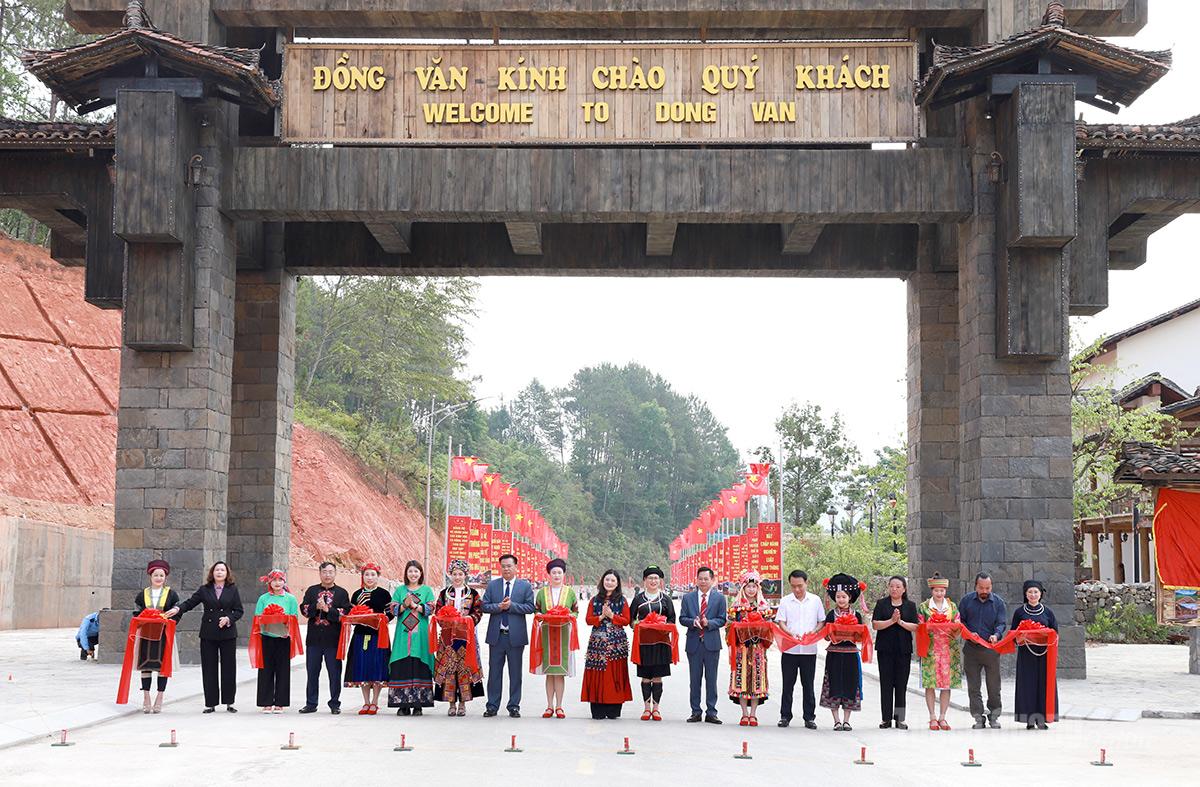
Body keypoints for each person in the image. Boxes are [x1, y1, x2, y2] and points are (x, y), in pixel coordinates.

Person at [172, 561, 244, 713]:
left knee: (229, 668)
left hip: (228, 633)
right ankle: (210, 703)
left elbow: (239, 610)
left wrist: (228, 619)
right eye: (217, 570)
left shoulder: (233, 589)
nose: (219, 572)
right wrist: (178, 609)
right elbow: (190, 603)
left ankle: (229, 702)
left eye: (222, 570)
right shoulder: (204, 590)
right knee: (209, 668)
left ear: (227, 573)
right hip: (208, 633)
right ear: (212, 573)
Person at [481, 552, 536, 718]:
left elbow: (530, 608)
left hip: (515, 637)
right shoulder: (493, 585)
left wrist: (511, 606)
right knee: (494, 672)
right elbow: (484, 606)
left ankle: (514, 705)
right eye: (503, 566)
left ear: (516, 567)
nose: (506, 569)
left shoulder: (524, 586)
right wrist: (499, 606)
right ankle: (492, 705)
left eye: (509, 566)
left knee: (515, 673)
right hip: (496, 636)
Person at [774, 569, 825, 729]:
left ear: (806, 583)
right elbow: (781, 622)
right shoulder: (785, 601)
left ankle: (809, 717)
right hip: (790, 649)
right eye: (793, 586)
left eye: (800, 586)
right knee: (788, 684)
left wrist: (814, 632)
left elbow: (821, 621)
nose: (797, 590)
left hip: (809, 650)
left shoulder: (815, 600)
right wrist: (789, 633)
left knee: (808, 684)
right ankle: (785, 716)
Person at [433, 559, 484, 716]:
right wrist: (444, 619)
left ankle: (462, 704)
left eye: (460, 574)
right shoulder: (444, 593)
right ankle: (451, 704)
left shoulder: (473, 594)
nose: (457, 577)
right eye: (454, 574)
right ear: (450, 575)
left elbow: (478, 612)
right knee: (449, 669)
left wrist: (468, 620)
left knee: (464, 669)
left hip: (466, 637)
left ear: (465, 575)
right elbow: (438, 610)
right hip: (448, 637)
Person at [299, 562, 351, 714]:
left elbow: (346, 613)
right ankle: (311, 703)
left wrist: (328, 609)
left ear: (335, 573)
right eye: (324, 572)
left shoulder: (342, 593)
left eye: (330, 572)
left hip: (333, 639)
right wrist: (317, 606)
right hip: (314, 639)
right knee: (312, 672)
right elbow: (304, 609)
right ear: (320, 573)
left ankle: (335, 704)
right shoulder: (312, 590)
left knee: (334, 673)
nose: (327, 575)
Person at [678, 565, 727, 724]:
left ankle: (711, 712)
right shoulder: (688, 598)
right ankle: (695, 711)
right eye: (701, 579)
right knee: (695, 679)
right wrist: (693, 622)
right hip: (694, 643)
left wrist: (709, 622)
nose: (703, 581)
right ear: (696, 580)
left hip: (712, 644)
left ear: (712, 580)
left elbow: (722, 619)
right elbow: (682, 618)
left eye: (706, 579)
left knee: (711, 680)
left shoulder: (719, 598)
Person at [581, 569, 632, 719]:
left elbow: (626, 620)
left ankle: (613, 709)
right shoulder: (594, 600)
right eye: (607, 580)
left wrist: (612, 616)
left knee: (615, 673)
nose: (609, 583)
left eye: (613, 581)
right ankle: (597, 707)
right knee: (597, 673)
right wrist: (602, 616)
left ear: (617, 584)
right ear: (603, 581)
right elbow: (588, 620)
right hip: (598, 643)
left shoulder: (622, 600)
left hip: (616, 643)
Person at [344, 562, 394, 715]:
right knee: (362, 667)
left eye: (373, 574)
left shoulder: (384, 594)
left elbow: (390, 614)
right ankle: (365, 702)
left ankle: (375, 702)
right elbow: (351, 614)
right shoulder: (357, 594)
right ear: (363, 576)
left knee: (377, 667)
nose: (370, 577)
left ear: (378, 577)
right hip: (360, 635)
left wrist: (380, 619)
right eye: (367, 574)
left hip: (379, 635)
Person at [959, 572, 1007, 729]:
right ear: (975, 586)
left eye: (988, 588)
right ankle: (978, 717)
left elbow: (1001, 623)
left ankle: (994, 716)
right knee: (973, 686)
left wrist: (997, 634)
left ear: (991, 586)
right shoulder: (966, 601)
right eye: (981, 588)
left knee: (994, 686)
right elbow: (960, 621)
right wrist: (968, 633)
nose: (985, 591)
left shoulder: (998, 603)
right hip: (971, 650)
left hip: (991, 649)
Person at [388, 560, 436, 716]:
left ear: (420, 573)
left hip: (420, 635)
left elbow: (431, 608)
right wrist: (404, 605)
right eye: (410, 571)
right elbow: (393, 609)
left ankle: (418, 705)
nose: (413, 574)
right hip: (403, 635)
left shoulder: (427, 590)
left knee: (419, 665)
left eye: (416, 571)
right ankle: (403, 705)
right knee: (403, 665)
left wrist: (416, 606)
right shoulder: (400, 590)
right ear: (406, 573)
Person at [533, 558, 579, 718]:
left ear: (564, 574)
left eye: (559, 572)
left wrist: (569, 616)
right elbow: (537, 610)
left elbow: (575, 612)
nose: (557, 575)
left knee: (559, 672)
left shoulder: (570, 592)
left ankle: (559, 706)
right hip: (546, 633)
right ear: (549, 574)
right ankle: (549, 706)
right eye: (554, 572)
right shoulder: (542, 592)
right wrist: (540, 616)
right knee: (549, 672)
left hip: (563, 634)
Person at [629, 565, 676, 721]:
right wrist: (639, 624)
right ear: (644, 580)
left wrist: (664, 626)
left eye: (656, 578)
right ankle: (646, 707)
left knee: (657, 677)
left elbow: (672, 620)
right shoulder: (638, 599)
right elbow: (631, 620)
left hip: (661, 642)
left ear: (660, 581)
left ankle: (656, 708)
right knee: (645, 677)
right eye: (650, 578)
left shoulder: (666, 599)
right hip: (643, 643)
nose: (653, 581)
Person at [872, 575, 919, 729]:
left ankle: (900, 718)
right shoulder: (881, 604)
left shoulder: (910, 606)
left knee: (901, 685)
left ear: (904, 589)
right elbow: (875, 625)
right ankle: (886, 718)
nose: (894, 589)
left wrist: (900, 622)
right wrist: (891, 621)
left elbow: (915, 627)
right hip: (885, 650)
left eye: (898, 586)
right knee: (886, 684)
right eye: (892, 586)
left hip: (903, 650)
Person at [135, 559, 181, 714]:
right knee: (145, 665)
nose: (158, 578)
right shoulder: (143, 594)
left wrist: (169, 619)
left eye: (161, 575)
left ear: (165, 577)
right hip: (146, 634)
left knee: (162, 666)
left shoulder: (171, 594)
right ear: (150, 576)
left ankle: (160, 697)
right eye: (156, 575)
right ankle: (146, 697)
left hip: (163, 633)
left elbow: (177, 612)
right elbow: (136, 611)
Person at [820, 573, 865, 731]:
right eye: (838, 596)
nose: (841, 599)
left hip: (851, 654)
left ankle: (847, 720)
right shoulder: (831, 615)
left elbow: (860, 636)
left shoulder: (857, 615)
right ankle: (836, 720)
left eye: (844, 596)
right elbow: (826, 636)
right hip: (834, 654)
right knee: (834, 685)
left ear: (850, 597)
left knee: (850, 686)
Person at [1012, 579, 1058, 730]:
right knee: (1028, 685)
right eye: (1030, 592)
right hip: (1027, 653)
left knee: (1043, 684)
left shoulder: (1048, 613)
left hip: (1044, 654)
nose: (1033, 595)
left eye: (1035, 592)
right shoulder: (1019, 612)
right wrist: (1021, 637)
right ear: (1025, 594)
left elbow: (1055, 633)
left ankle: (1042, 718)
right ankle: (1029, 719)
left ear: (1040, 594)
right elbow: (1013, 634)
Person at [728, 571, 772, 726]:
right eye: (749, 586)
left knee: (756, 680)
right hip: (741, 648)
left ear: (758, 588)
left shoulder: (764, 608)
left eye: (754, 586)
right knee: (741, 679)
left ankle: (753, 714)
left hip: (758, 648)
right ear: (743, 588)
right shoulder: (736, 608)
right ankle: (744, 713)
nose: (751, 590)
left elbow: (769, 629)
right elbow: (729, 628)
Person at [918, 572, 962, 730]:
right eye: (936, 590)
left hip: (949, 649)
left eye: (942, 591)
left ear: (946, 591)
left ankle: (943, 716)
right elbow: (920, 627)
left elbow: (958, 625)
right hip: (930, 648)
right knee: (930, 684)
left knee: (946, 685)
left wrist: (953, 630)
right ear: (932, 591)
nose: (939, 593)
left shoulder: (952, 607)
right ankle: (932, 717)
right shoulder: (924, 607)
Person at [254, 569, 299, 713]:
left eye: (280, 580)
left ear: (284, 582)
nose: (277, 583)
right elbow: (257, 617)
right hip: (266, 637)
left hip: (283, 638)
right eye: (274, 580)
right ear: (269, 582)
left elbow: (294, 617)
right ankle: (266, 702)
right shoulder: (263, 598)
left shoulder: (290, 599)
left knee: (283, 670)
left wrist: (286, 625)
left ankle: (280, 702)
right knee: (265, 670)